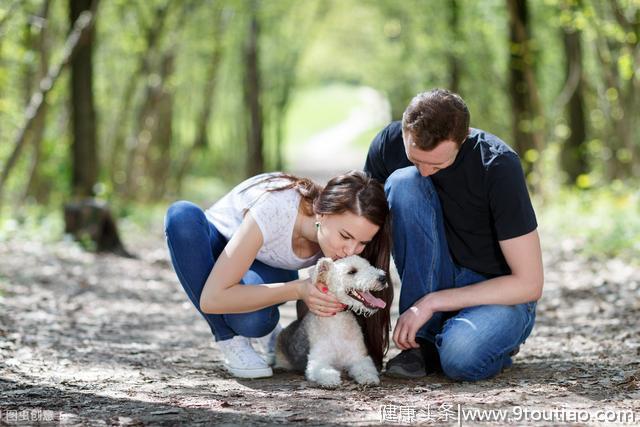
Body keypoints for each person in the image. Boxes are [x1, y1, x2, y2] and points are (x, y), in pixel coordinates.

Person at [364, 88, 543, 381]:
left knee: (460, 358)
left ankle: (476, 341)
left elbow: (529, 284)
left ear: (464, 138)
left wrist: (431, 302)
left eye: (437, 164)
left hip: (495, 291)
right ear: (406, 129)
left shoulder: (498, 165)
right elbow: (362, 235)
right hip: (435, 273)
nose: (424, 172)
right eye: (415, 159)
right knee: (404, 183)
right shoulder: (389, 144)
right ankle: (421, 342)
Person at [164, 170, 393, 379]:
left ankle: (271, 335)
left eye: (362, 242)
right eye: (345, 236)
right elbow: (211, 299)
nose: (351, 250)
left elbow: (315, 304)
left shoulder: (335, 248)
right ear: (321, 213)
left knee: (255, 321)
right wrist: (297, 289)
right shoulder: (276, 207)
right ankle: (228, 339)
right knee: (181, 216)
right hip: (216, 244)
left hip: (260, 264)